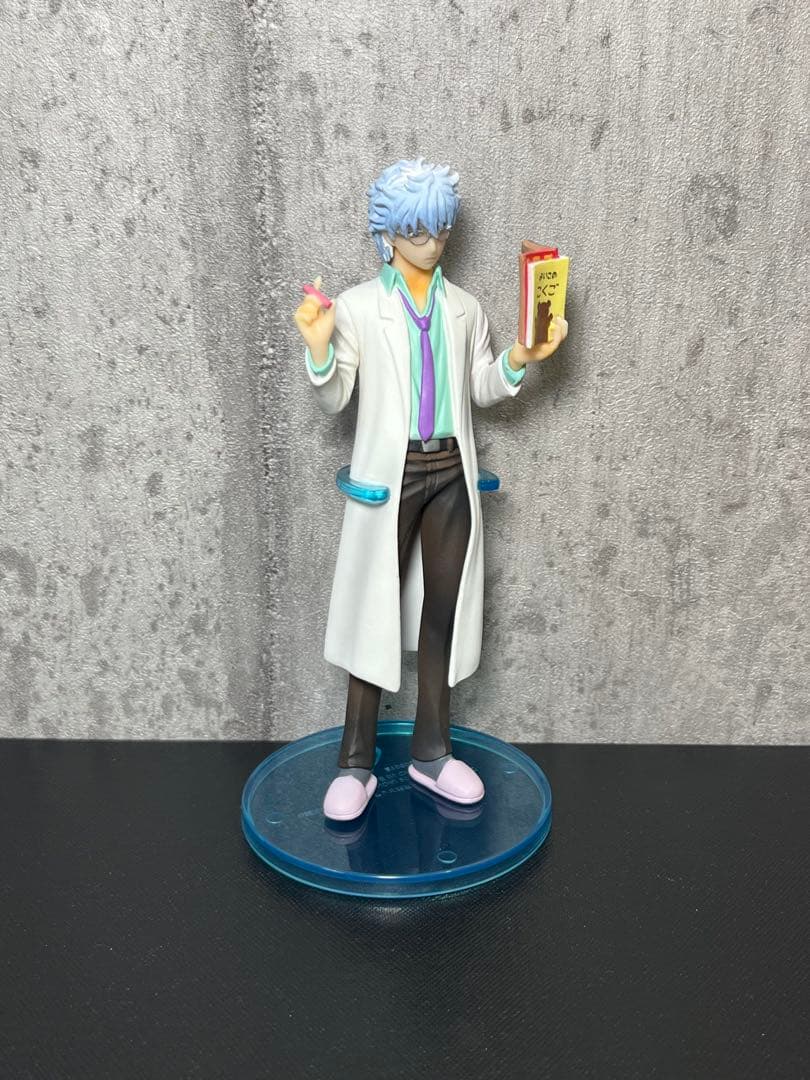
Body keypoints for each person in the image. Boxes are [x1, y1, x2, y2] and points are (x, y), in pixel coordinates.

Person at [293, 158, 567, 821]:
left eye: (440, 229)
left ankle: (432, 752)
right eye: (417, 230)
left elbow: (480, 387)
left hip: (450, 473)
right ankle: (355, 761)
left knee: (442, 610)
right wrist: (320, 347)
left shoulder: (464, 308)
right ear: (386, 234)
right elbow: (334, 398)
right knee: (373, 614)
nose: (432, 242)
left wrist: (521, 359)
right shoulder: (358, 306)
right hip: (391, 477)